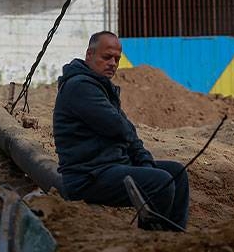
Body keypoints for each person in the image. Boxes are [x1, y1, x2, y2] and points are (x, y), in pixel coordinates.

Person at [53, 31, 189, 231]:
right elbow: (119, 127)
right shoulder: (80, 86)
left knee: (177, 172)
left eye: (117, 59)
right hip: (87, 177)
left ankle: (175, 238)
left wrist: (145, 161)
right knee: (161, 182)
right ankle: (151, 242)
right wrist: (143, 160)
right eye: (106, 57)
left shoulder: (100, 87)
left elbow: (128, 133)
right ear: (89, 55)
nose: (113, 63)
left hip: (109, 167)